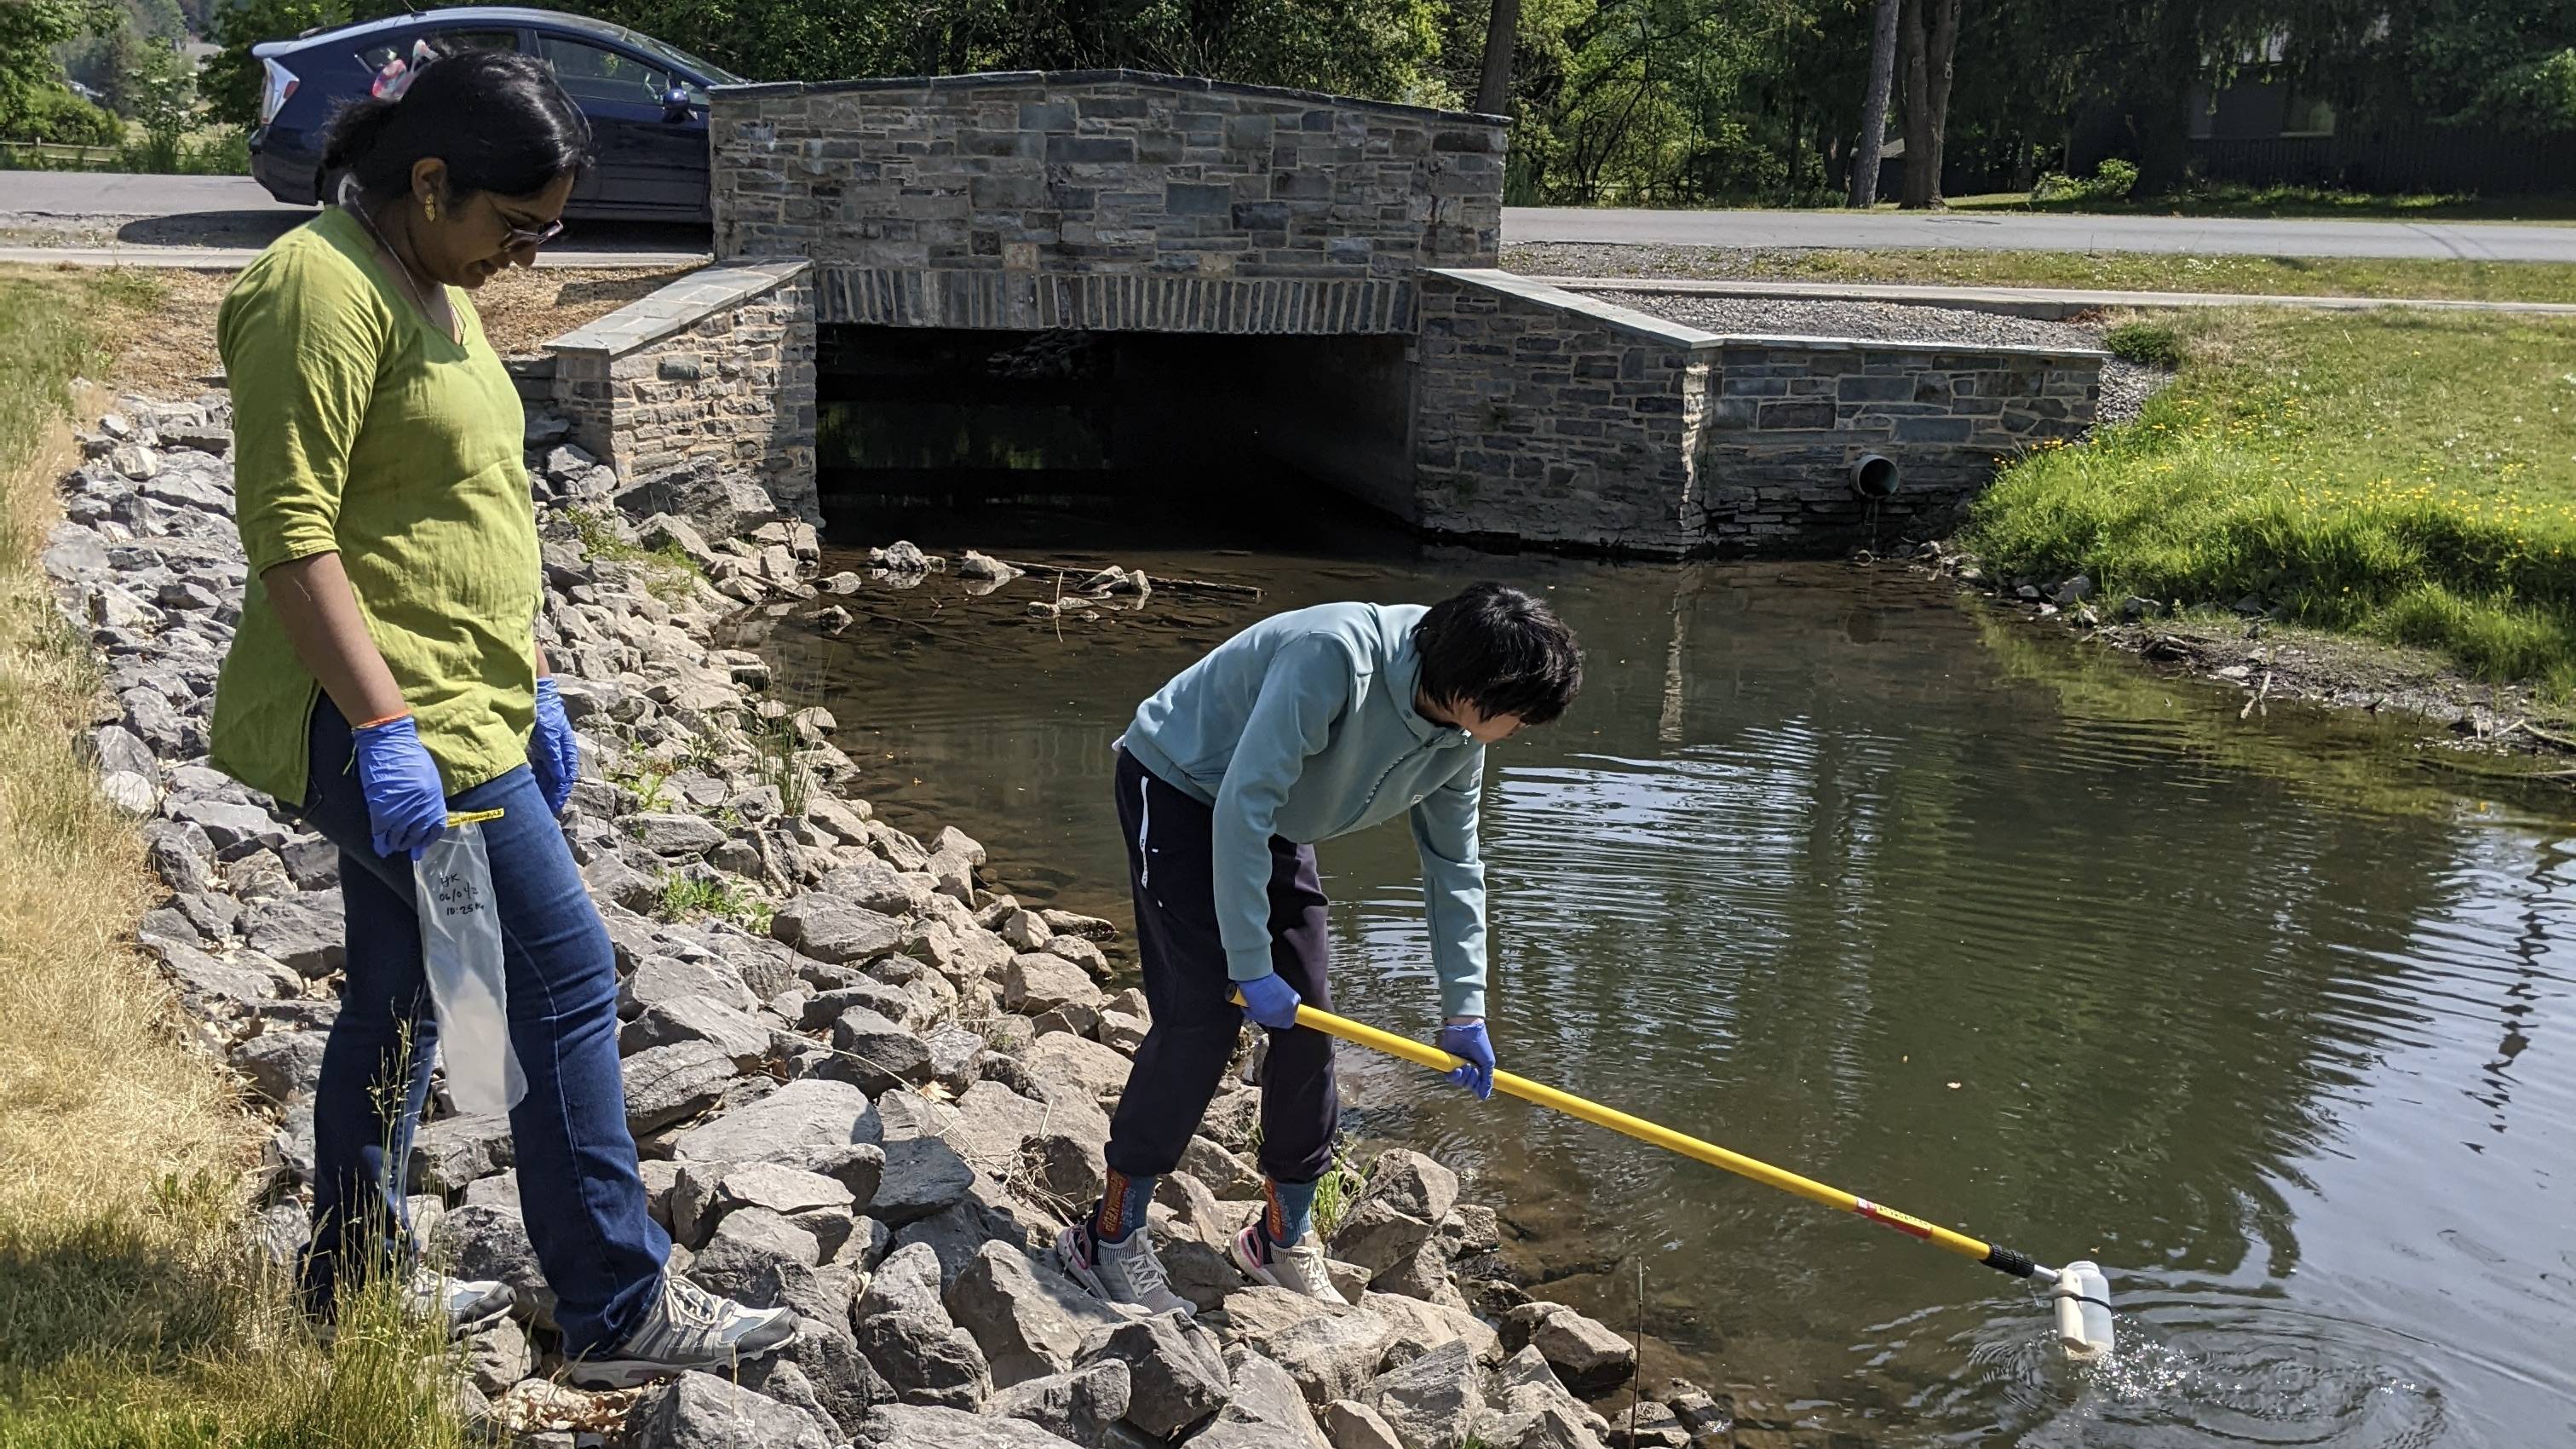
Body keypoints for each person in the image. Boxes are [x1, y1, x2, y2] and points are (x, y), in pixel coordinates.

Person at [209, 48, 793, 1386]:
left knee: (410, 996)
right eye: (513, 226)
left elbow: (466, 502)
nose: (526, 258)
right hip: (392, 723)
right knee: (565, 983)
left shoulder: (436, 277)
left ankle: (351, 1284)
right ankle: (615, 1308)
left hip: (471, 705)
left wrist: (532, 677)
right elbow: (294, 539)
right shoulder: (314, 292)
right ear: (428, 179)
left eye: (548, 230)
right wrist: (380, 732)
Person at [1057, 584, 1582, 1310]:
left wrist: (1466, 1008)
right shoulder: (1333, 658)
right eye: (1520, 713)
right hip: (1181, 786)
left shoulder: (1461, 737)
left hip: (1270, 814)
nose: (1521, 727)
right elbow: (1240, 800)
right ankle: (1106, 1236)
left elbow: (1456, 866)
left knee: (1308, 1024)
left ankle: (1280, 1237)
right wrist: (1248, 965)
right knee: (1202, 1017)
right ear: (1476, 688)